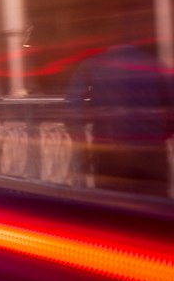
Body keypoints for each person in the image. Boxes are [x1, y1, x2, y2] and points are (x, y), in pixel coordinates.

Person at [67, 42, 174, 194]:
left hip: (110, 148)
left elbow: (73, 106)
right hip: (151, 147)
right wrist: (162, 135)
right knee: (154, 205)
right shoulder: (156, 65)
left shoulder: (93, 64)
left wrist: (82, 145)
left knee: (112, 205)